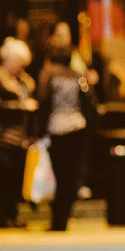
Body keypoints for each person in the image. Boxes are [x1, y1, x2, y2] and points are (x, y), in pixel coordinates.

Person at [34, 40, 92, 231]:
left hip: (57, 127)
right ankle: (64, 216)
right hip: (77, 126)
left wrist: (38, 131)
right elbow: (88, 102)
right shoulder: (77, 75)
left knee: (57, 174)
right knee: (71, 175)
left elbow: (43, 102)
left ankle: (56, 218)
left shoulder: (48, 74)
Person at [0, 37, 37, 228]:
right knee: (1, 179)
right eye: (18, 62)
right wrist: (21, 107)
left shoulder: (23, 81)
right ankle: (3, 215)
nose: (20, 67)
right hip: (0, 137)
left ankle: (12, 214)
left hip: (18, 138)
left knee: (15, 179)